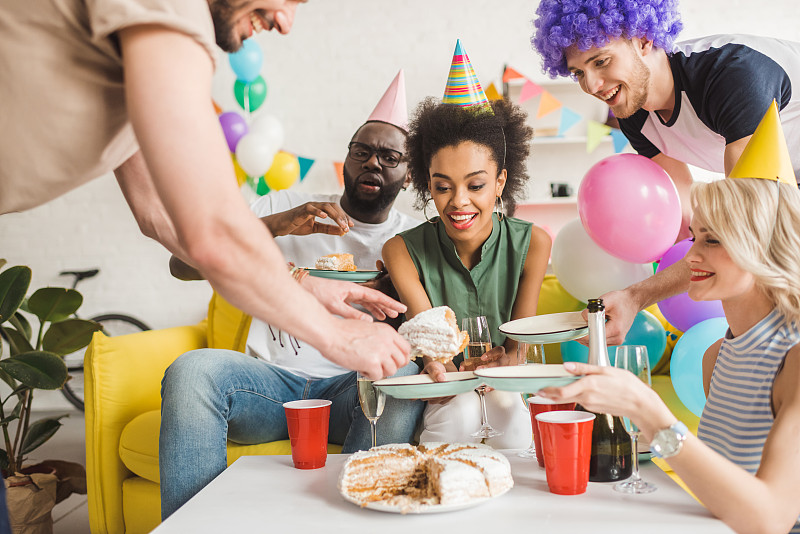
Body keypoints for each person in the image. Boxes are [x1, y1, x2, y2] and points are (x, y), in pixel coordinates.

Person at [0, 0, 410, 380]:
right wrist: (340, 337)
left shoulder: (140, 55)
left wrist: (304, 283)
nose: (285, 22)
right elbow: (213, 233)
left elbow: (159, 218)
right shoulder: (172, 10)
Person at [160, 72, 425, 519]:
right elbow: (182, 265)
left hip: (350, 392)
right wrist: (277, 226)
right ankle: (194, 526)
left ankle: (352, 523)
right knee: (192, 371)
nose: (372, 163)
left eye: (389, 156)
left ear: (410, 173)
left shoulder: (411, 239)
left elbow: (426, 325)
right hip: (266, 385)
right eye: (361, 151)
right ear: (346, 159)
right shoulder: (284, 204)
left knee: (402, 374)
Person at [538, 175, 800, 533]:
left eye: (713, 240)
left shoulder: (795, 358)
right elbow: (718, 490)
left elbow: (772, 518)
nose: (690, 256)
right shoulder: (718, 355)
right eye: (695, 236)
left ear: (765, 247)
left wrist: (647, 409)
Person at [531, 0, 800, 344]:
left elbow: (743, 229)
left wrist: (637, 295)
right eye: (579, 72)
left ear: (644, 39)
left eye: (601, 61)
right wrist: (640, 299)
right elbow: (685, 227)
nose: (594, 85)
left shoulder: (730, 75)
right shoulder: (634, 115)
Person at [383, 43, 551, 448]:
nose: (458, 201)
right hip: (446, 394)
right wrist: (437, 365)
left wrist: (506, 362)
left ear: (500, 183)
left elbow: (518, 349)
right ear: (428, 186)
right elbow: (431, 349)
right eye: (443, 187)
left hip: (504, 389)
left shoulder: (533, 244)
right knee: (457, 412)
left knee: (509, 411)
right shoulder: (401, 251)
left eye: (475, 185)